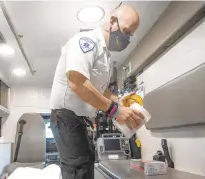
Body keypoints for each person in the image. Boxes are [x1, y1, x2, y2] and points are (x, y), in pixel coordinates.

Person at [50, 4, 143, 179]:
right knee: (79, 170)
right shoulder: (86, 41)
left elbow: (100, 89)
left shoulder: (105, 56)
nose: (128, 38)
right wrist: (115, 110)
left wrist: (119, 100)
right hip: (67, 116)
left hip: (79, 119)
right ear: (112, 21)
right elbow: (77, 83)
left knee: (85, 166)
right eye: (127, 31)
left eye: (131, 34)